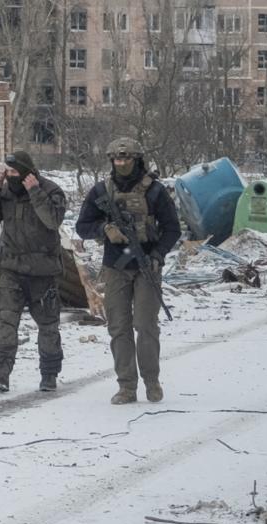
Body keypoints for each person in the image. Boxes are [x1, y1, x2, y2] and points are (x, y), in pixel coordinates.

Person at [75, 137, 182, 404]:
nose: (121, 163)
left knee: (145, 325)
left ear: (137, 160)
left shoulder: (155, 191)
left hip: (147, 265)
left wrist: (158, 254)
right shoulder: (102, 191)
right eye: (117, 159)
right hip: (116, 267)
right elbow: (82, 226)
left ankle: (151, 381)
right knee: (118, 327)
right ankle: (127, 386)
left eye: (126, 159)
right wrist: (104, 229)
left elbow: (172, 229)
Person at [0, 151, 67, 393]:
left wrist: (35, 192)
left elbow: (52, 221)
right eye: (8, 172)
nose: (11, 177)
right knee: (6, 322)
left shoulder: (50, 190)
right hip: (11, 269)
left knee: (48, 325)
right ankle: (1, 373)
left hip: (43, 271)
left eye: (16, 173)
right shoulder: (5, 192)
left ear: (28, 172)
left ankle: (49, 375)